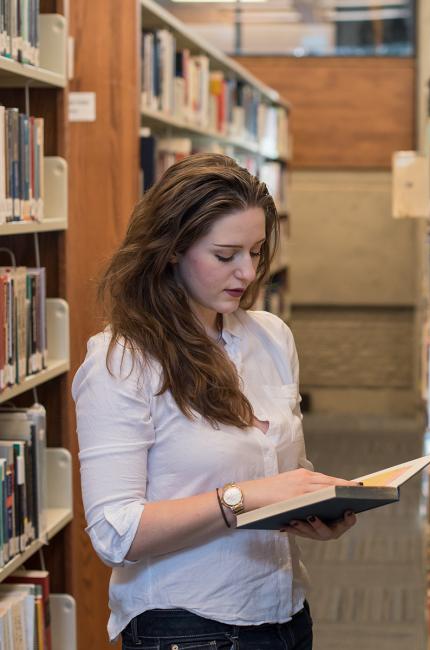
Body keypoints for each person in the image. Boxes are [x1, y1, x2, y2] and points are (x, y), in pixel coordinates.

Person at [72, 153, 358, 649]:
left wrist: (312, 510)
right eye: (226, 256)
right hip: (188, 626)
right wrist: (241, 499)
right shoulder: (121, 363)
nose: (247, 273)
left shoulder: (270, 337)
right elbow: (115, 534)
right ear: (171, 251)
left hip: (284, 614)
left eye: (256, 251)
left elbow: (281, 470)